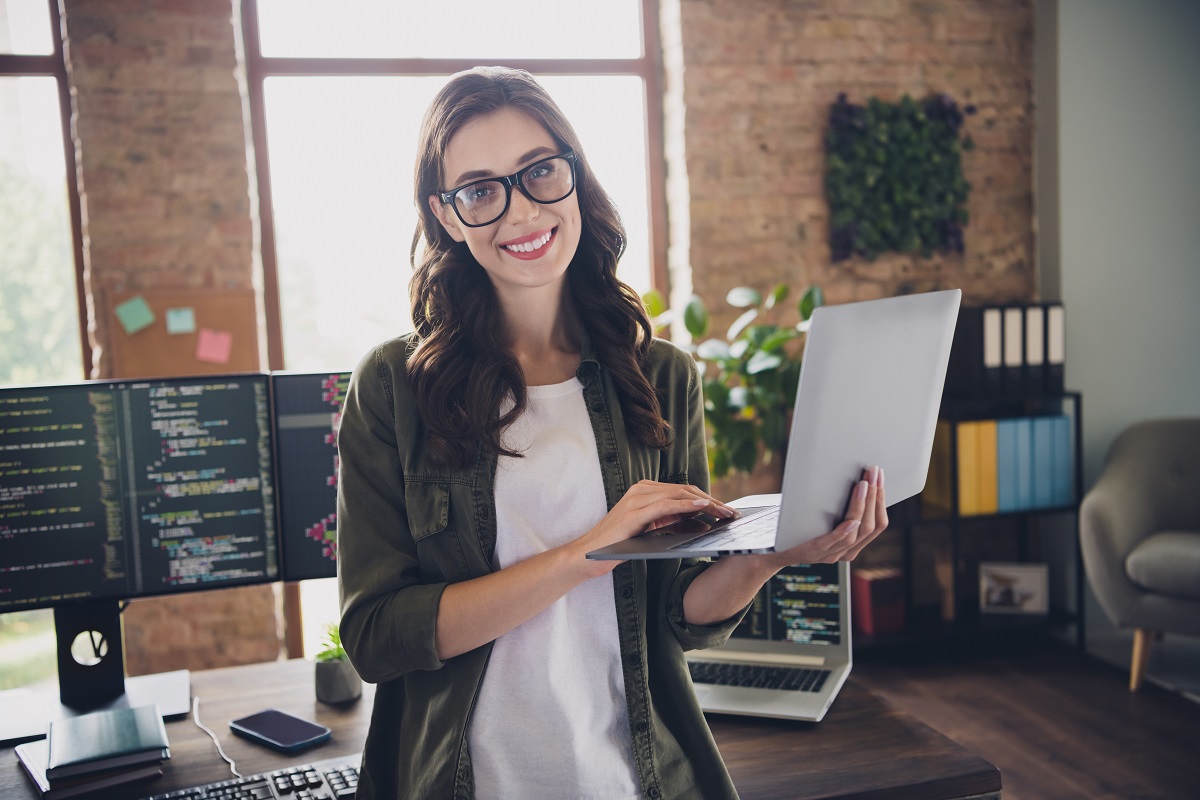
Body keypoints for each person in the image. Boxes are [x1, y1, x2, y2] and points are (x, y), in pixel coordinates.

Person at [336, 66, 888, 800]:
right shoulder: (392, 387)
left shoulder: (659, 376)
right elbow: (376, 635)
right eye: (479, 190)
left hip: (636, 780)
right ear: (445, 214)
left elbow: (680, 616)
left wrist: (773, 554)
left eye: (539, 173)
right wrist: (584, 555)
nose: (520, 212)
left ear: (574, 176)